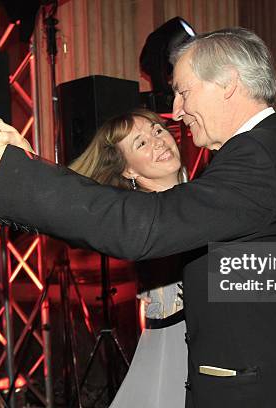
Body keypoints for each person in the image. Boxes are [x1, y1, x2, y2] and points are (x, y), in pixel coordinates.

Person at [0, 27, 276, 407]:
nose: (176, 111)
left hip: (269, 393)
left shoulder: (256, 155)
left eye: (183, 91)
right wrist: (20, 159)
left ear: (228, 84)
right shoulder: (260, 150)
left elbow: (139, 227)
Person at [68, 109, 188, 407]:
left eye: (157, 131)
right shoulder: (141, 216)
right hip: (176, 348)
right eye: (141, 144)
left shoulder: (199, 199)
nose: (158, 142)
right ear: (129, 171)